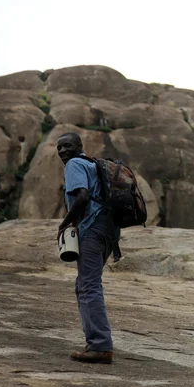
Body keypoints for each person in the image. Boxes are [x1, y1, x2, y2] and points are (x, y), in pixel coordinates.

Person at [56, 132, 120, 364]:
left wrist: (64, 224)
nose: (63, 151)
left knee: (88, 286)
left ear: (80, 147)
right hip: (108, 231)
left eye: (67, 146)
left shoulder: (75, 164)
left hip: (92, 229)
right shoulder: (93, 164)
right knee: (85, 284)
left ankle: (100, 346)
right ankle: (97, 342)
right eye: (59, 148)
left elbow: (81, 198)